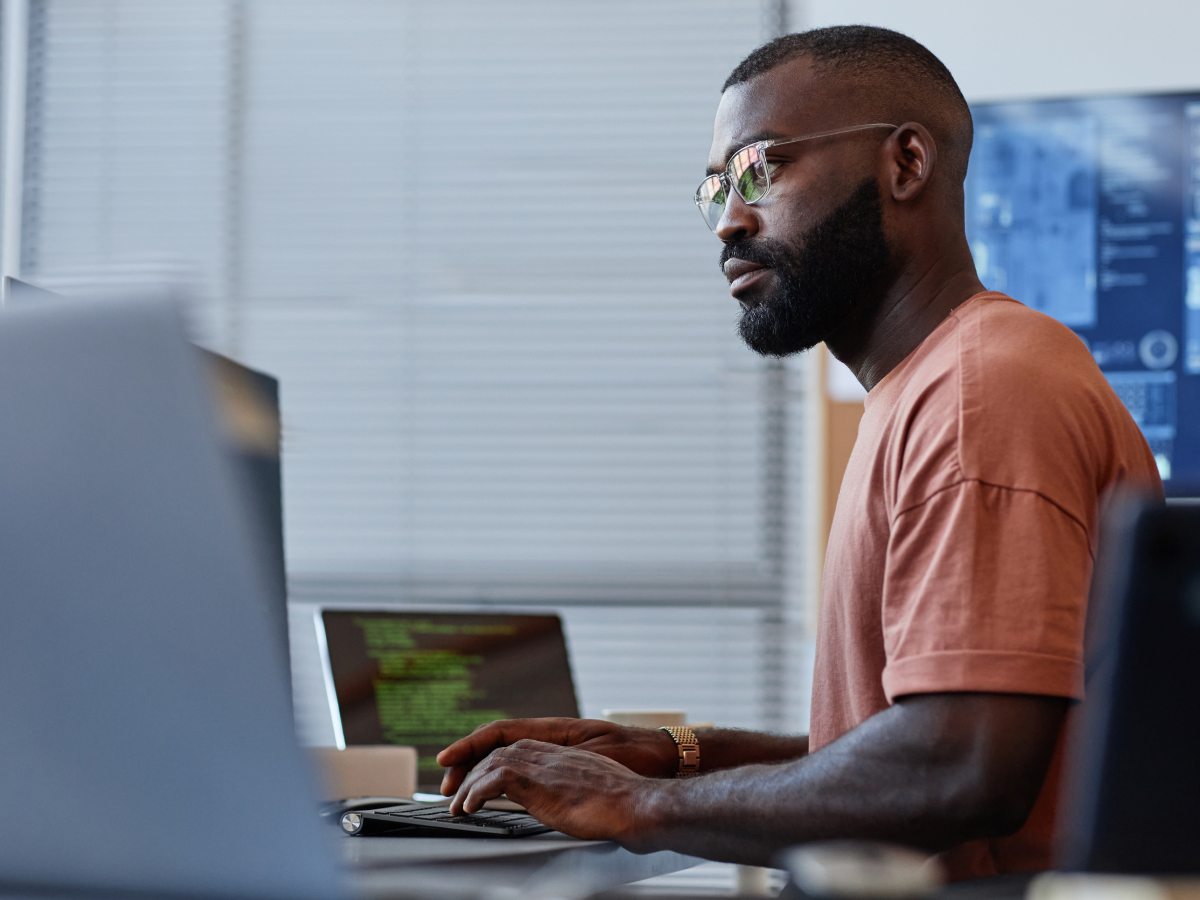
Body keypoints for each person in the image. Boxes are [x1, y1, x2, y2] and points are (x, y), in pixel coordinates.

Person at [436, 26, 1162, 879]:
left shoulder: (978, 395)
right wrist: (675, 755)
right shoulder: (934, 386)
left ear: (906, 165)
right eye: (715, 191)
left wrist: (634, 805)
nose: (729, 223)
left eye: (761, 170)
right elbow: (893, 742)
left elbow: (958, 767)